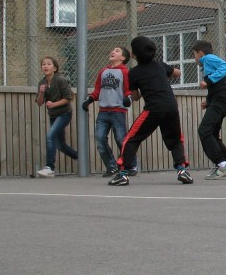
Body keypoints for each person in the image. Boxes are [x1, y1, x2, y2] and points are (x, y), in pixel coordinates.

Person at [108, 36, 193, 186]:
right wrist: (163, 78)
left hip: (154, 108)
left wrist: (143, 87)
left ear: (134, 55)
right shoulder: (160, 65)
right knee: (175, 139)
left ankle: (123, 174)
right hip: (171, 106)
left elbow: (135, 97)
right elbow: (178, 73)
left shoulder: (134, 72)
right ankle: (182, 170)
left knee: (131, 138)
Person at [191, 40, 226, 179]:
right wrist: (208, 101)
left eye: (194, 54)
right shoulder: (208, 64)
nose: (194, 58)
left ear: (200, 53)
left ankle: (221, 164)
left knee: (204, 130)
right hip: (220, 100)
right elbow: (218, 86)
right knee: (212, 134)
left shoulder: (208, 58)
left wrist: (207, 81)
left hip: (221, 100)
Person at [81, 46, 135, 177]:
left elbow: (128, 89)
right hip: (103, 111)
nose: (112, 52)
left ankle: (130, 165)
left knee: (121, 139)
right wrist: (90, 99)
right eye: (112, 50)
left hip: (118, 111)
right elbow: (98, 90)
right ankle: (111, 166)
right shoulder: (103, 71)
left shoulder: (124, 72)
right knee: (100, 138)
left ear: (123, 58)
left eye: (117, 51)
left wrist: (128, 98)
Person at [35, 56, 78, 177]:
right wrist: (42, 92)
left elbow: (68, 98)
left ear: (54, 68)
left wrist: (54, 104)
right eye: (43, 64)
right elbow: (39, 102)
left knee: (50, 136)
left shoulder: (60, 80)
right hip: (53, 115)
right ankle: (80, 157)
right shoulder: (42, 83)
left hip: (64, 113)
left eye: (48, 64)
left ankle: (49, 167)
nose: (45, 66)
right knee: (60, 145)